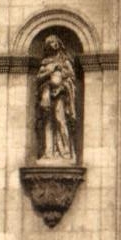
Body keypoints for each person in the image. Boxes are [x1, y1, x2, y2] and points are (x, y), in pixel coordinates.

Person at [36, 34, 77, 162]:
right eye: (50, 43)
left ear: (59, 43)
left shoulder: (65, 61)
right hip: (47, 95)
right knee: (48, 123)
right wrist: (50, 71)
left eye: (55, 42)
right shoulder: (45, 62)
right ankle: (48, 152)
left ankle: (65, 151)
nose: (53, 44)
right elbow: (39, 78)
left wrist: (63, 82)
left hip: (61, 95)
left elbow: (72, 77)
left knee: (60, 120)